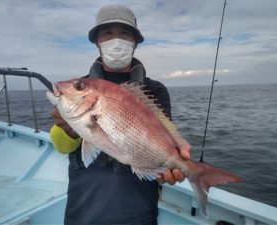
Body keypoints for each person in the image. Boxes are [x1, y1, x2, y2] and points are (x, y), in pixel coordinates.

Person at [50, 4, 190, 225]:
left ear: (135, 41)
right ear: (97, 41)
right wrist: (67, 129)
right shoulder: (79, 89)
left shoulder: (155, 90)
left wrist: (173, 164)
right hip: (84, 206)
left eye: (124, 33)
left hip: (138, 208)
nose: (116, 40)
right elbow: (62, 147)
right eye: (107, 33)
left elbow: (166, 138)